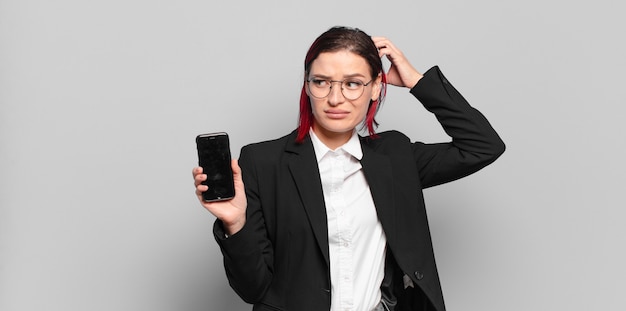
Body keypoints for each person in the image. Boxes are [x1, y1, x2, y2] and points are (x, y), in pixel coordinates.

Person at [192, 26, 505, 311]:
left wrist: (417, 81)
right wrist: (236, 223)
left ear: (375, 88)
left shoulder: (395, 158)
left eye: (353, 83)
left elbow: (482, 146)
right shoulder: (262, 162)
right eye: (321, 82)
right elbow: (252, 289)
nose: (335, 98)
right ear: (307, 85)